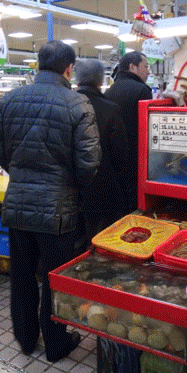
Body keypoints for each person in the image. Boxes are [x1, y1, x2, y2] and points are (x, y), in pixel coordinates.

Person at [0, 40, 101, 362]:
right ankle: (55, 344)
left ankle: (25, 341)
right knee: (54, 277)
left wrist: (20, 172)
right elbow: (89, 162)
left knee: (22, 276)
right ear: (69, 69)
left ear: (39, 64)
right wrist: (70, 186)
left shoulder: (10, 100)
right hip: (58, 210)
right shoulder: (77, 104)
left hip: (18, 204)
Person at [74, 59, 134, 245]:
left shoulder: (63, 106)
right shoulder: (110, 109)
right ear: (101, 81)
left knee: (74, 241)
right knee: (100, 240)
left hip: (68, 189)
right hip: (102, 188)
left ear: (76, 78)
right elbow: (120, 154)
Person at [104, 51, 152, 210]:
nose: (149, 71)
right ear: (132, 67)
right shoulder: (142, 90)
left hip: (112, 158)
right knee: (134, 204)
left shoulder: (108, 92)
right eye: (145, 66)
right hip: (136, 159)